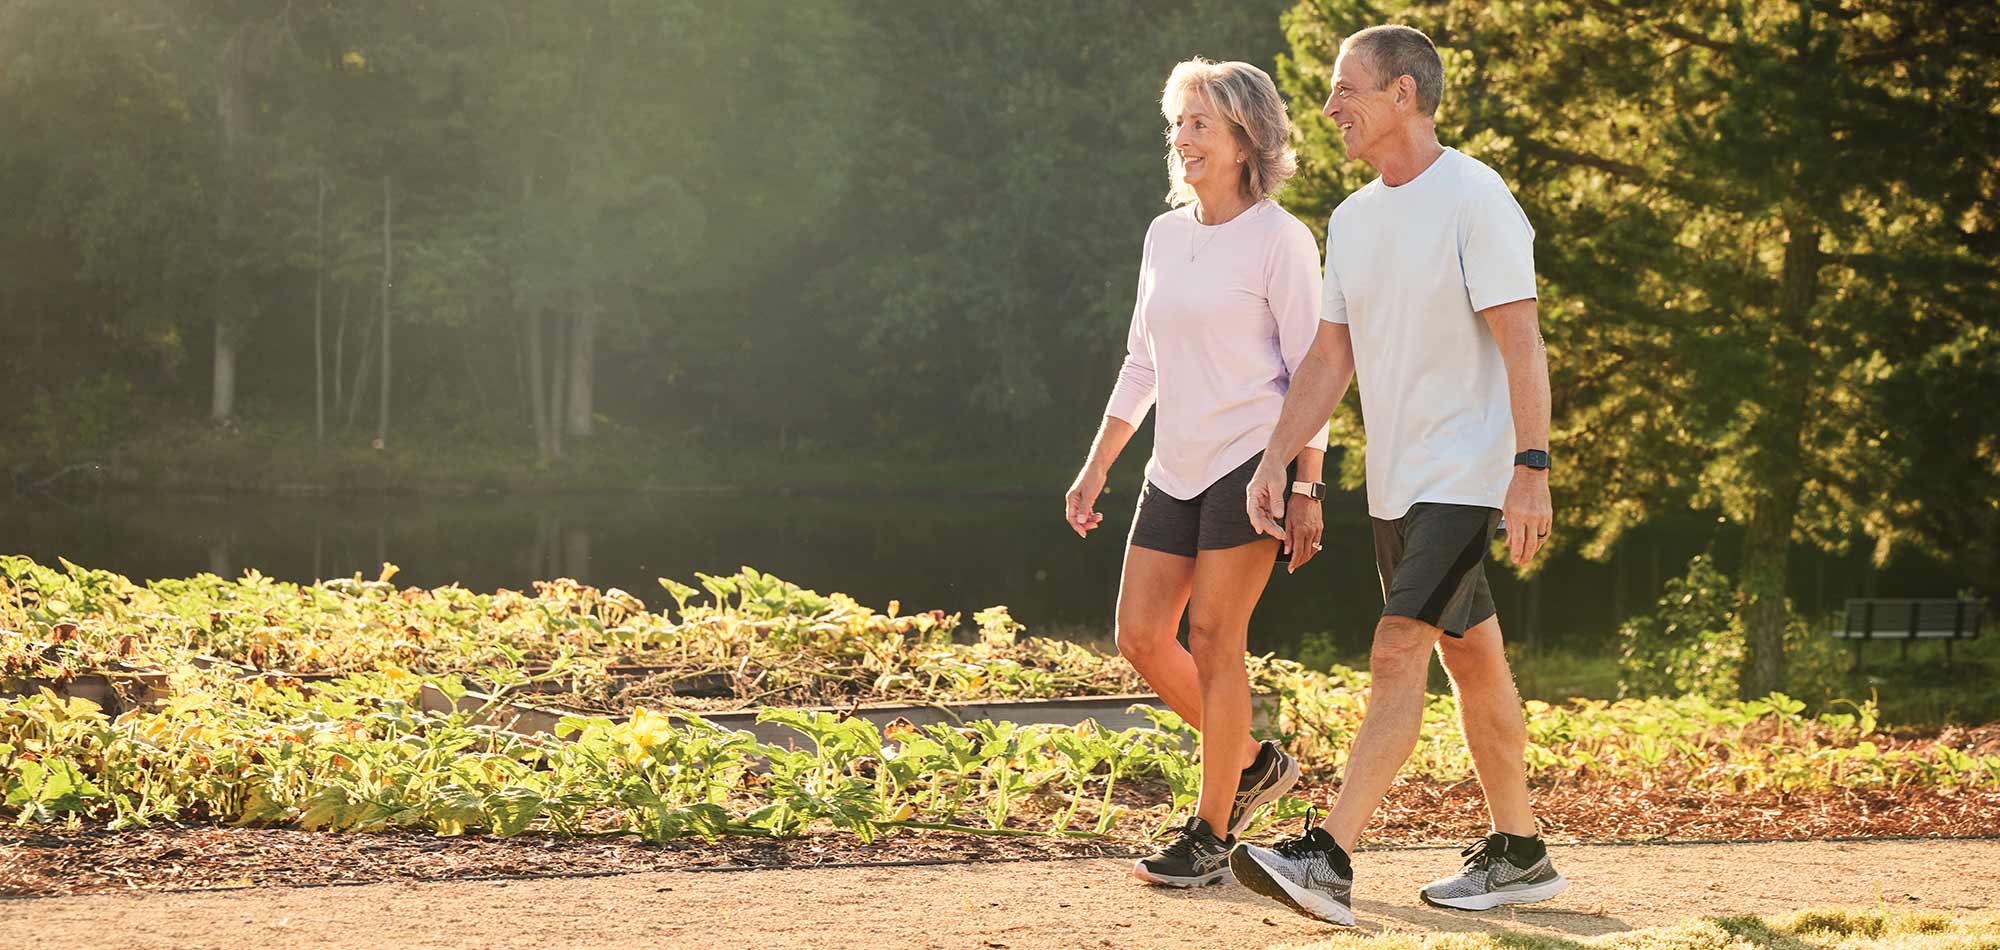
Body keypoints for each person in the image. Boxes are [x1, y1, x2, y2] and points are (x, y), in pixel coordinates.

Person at [1227, 25, 1568, 924]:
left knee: (1397, 648)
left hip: (1469, 472)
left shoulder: (1475, 198)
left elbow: (1521, 340)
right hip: (1398, 481)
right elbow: (1328, 360)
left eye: (1348, 90)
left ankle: (1329, 857)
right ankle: (1521, 851)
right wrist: (1276, 458)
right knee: (1474, 658)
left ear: (1404, 94)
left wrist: (1530, 468)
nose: (1331, 106)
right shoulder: (1354, 218)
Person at [1063, 57, 1328, 887]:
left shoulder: (1281, 239)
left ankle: (1210, 832)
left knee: (1215, 638)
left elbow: (1314, 368)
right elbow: (1142, 364)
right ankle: (1250, 763)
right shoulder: (1163, 236)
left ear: (1247, 138)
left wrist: (1306, 481)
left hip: (1254, 459)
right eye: (1177, 124)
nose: (1182, 140)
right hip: (1172, 463)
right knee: (1139, 636)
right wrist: (1096, 465)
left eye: (1200, 125)